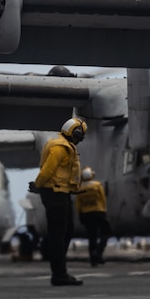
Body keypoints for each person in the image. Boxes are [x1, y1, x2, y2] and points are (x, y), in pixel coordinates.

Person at [30, 116, 87, 286]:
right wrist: (38, 185)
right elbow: (48, 170)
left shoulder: (63, 144)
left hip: (62, 192)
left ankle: (60, 272)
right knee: (58, 235)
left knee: (66, 232)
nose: (79, 140)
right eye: (79, 136)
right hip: (55, 193)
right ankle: (59, 274)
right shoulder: (60, 147)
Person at [75, 167, 111, 267]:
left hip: (86, 214)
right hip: (98, 212)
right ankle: (98, 253)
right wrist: (104, 210)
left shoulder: (80, 188)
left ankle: (93, 260)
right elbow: (103, 198)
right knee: (106, 232)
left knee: (92, 238)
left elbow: (78, 204)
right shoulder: (97, 185)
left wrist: (80, 215)